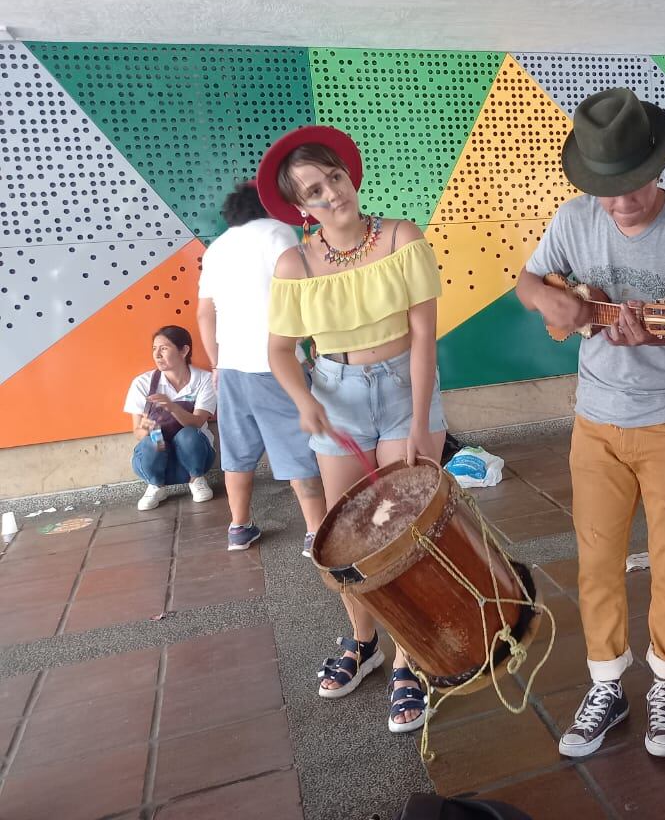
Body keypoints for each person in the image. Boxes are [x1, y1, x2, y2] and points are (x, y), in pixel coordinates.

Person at [515, 87, 665, 760]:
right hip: (596, 419)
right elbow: (526, 283)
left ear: (655, 166)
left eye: (632, 187)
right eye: (605, 190)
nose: (619, 203)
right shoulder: (574, 219)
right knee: (597, 561)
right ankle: (606, 683)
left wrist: (659, 337)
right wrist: (569, 310)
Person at [259, 125, 448, 734]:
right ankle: (363, 639)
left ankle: (410, 658)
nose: (332, 194)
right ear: (301, 206)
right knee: (344, 538)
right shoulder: (296, 262)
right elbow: (281, 351)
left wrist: (419, 421)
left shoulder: (400, 237)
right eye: (314, 190)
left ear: (349, 175)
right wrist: (302, 401)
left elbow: (424, 337)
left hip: (403, 389)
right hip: (334, 394)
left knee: (401, 531)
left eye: (334, 178)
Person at [196, 182, 327, 554]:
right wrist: (314, 340)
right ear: (269, 205)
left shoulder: (217, 248)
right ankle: (316, 532)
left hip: (232, 368)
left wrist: (217, 364)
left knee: (237, 452)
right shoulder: (277, 233)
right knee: (299, 448)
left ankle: (239, 527)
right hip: (275, 363)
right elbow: (302, 291)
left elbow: (205, 312)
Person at [124, 325, 218, 511]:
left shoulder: (204, 379)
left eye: (164, 348)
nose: (157, 355)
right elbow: (137, 432)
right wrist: (146, 427)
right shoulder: (142, 383)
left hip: (194, 454)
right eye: (154, 349)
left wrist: (172, 407)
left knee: (188, 434)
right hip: (161, 450)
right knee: (152, 441)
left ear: (184, 350)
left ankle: (196, 479)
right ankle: (156, 486)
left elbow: (198, 421)